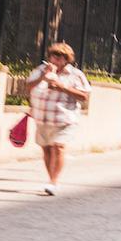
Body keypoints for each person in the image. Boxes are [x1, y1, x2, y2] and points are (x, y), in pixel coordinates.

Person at [25, 42, 91, 197]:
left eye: (60, 57)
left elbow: (84, 96)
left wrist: (61, 87)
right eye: (53, 56)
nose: (55, 59)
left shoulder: (75, 74)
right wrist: (43, 77)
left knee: (58, 146)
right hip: (43, 117)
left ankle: (54, 182)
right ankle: (51, 179)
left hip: (65, 118)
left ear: (66, 59)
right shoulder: (41, 70)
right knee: (47, 149)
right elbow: (28, 86)